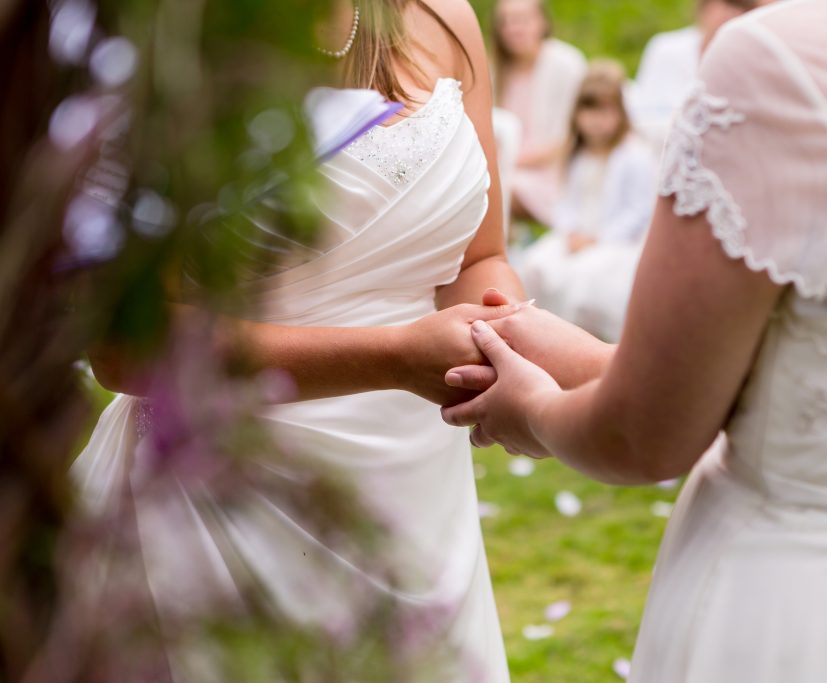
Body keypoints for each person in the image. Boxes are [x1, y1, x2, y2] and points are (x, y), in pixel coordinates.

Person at [442, 0, 827, 679]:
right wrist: (570, 353)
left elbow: (643, 435)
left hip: (805, 619)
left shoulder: (785, 64)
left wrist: (531, 407)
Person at [74, 1, 523, 680]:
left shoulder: (442, 15)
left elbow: (476, 257)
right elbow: (127, 347)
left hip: (421, 502)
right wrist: (398, 357)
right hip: (227, 501)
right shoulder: (161, 42)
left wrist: (510, 344)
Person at [519, 60, 656, 341]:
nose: (596, 119)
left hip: (616, 241)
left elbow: (639, 210)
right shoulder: (576, 154)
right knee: (536, 265)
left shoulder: (634, 155)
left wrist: (598, 238)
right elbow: (566, 200)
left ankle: (570, 340)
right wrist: (570, 231)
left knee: (582, 278)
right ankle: (535, 335)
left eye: (605, 111)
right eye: (589, 109)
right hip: (576, 235)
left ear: (620, 113)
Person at [491, 0, 586, 226]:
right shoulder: (496, 70)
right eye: (506, 22)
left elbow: (571, 138)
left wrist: (509, 161)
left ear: (542, 22)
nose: (514, 29)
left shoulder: (567, 63)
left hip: (556, 173)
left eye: (522, 20)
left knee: (493, 188)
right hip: (505, 165)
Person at [628, 0, 759, 147]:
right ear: (705, 7)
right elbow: (643, 117)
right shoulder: (665, 49)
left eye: (741, 8)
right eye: (726, 4)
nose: (731, 14)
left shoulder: (750, 60)